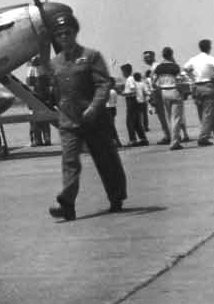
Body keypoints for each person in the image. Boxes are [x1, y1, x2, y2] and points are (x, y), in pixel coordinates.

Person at [47, 12, 127, 221]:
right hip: (68, 121)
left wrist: (94, 107)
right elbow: (55, 90)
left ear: (75, 32)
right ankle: (67, 203)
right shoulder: (54, 63)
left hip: (94, 119)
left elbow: (103, 84)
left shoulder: (92, 56)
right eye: (59, 34)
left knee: (106, 159)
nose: (64, 37)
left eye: (67, 32)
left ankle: (116, 197)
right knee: (70, 161)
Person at [182, 38, 214, 146]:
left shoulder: (194, 59)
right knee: (208, 113)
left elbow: (185, 68)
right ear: (209, 48)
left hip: (197, 86)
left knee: (203, 113)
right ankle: (203, 137)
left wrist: (192, 77)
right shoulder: (210, 59)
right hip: (208, 85)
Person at [153, 47, 186, 150]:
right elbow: (180, 80)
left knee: (169, 117)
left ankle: (174, 138)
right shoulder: (175, 67)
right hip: (174, 91)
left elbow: (154, 82)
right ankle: (175, 142)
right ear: (171, 54)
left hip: (164, 92)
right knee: (176, 118)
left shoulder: (158, 68)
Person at [142, 50, 170, 143]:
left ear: (153, 57)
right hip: (158, 93)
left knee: (163, 116)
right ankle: (168, 134)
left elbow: (158, 82)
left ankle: (168, 136)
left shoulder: (156, 66)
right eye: (145, 58)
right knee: (162, 116)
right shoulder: (153, 67)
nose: (146, 59)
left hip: (159, 92)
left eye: (148, 57)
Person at [120, 63, 148, 145]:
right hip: (135, 101)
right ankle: (142, 138)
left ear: (125, 71)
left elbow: (133, 90)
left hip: (132, 101)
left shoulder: (129, 79)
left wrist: (124, 94)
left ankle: (133, 139)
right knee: (136, 122)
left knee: (130, 122)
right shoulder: (132, 78)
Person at [105, 79, 122, 147]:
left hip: (108, 109)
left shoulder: (108, 92)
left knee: (110, 127)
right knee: (112, 126)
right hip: (113, 108)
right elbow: (115, 101)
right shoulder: (114, 91)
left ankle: (114, 142)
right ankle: (116, 141)